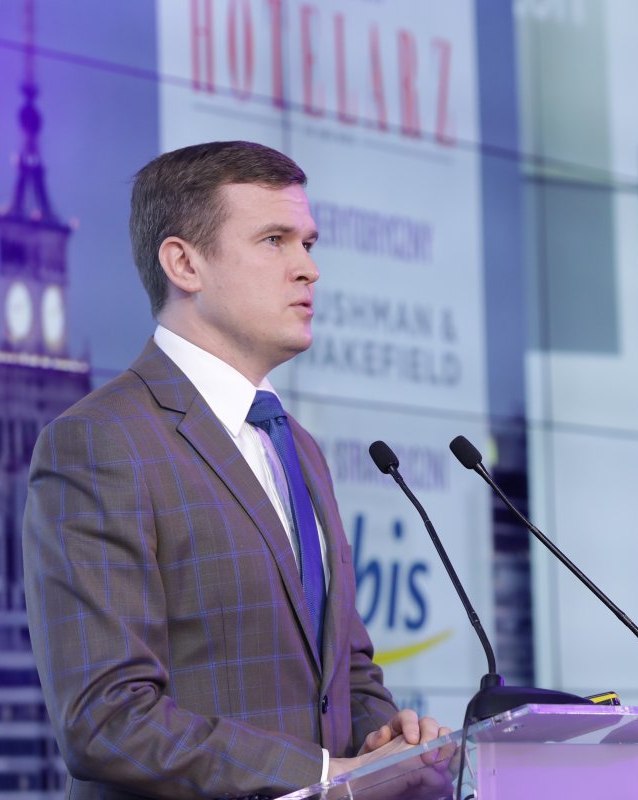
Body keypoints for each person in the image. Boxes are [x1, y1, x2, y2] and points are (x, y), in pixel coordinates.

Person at [23, 140, 450, 799]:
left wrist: (384, 742)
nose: (308, 269)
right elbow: (105, 719)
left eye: (309, 243)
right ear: (184, 263)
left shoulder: (296, 445)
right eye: (275, 241)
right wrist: (321, 775)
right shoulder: (100, 441)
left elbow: (345, 673)